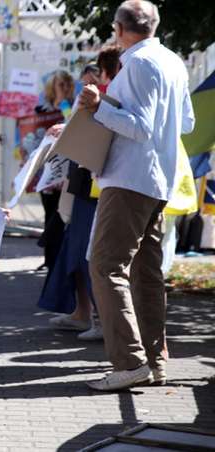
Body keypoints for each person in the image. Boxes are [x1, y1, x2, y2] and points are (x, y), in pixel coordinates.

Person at [79, 0, 194, 391]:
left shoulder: (138, 63)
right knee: (146, 273)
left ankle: (130, 362)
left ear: (118, 28)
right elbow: (188, 121)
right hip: (158, 178)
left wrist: (99, 107)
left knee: (106, 266)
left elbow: (140, 127)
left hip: (131, 178)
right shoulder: (173, 61)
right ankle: (154, 359)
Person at [41, 51, 122, 342]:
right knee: (74, 252)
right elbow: (74, 124)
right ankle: (82, 313)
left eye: (93, 81)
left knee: (90, 255)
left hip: (96, 187)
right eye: (83, 84)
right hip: (81, 185)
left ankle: (99, 318)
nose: (86, 89)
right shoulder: (87, 103)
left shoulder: (110, 103)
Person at [35, 71, 75, 273]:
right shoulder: (41, 109)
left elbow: (71, 122)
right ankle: (49, 258)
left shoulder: (72, 107)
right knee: (49, 213)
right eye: (60, 84)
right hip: (46, 169)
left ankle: (59, 259)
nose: (65, 88)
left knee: (61, 216)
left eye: (67, 84)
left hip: (66, 168)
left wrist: (63, 100)